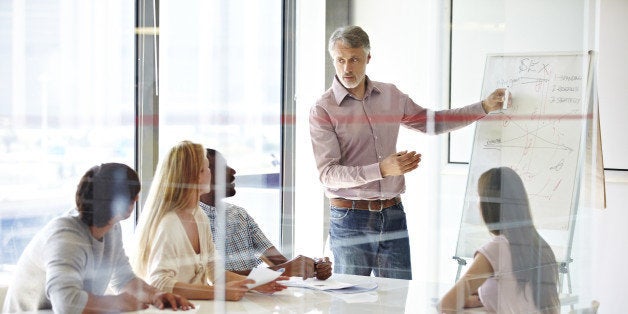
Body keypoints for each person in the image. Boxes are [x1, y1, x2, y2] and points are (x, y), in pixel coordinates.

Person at [309, 25, 508, 280]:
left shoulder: (390, 95)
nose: (347, 68)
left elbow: (432, 122)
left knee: (396, 300)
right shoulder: (322, 109)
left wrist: (483, 107)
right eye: (340, 60)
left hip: (393, 214)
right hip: (350, 219)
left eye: (355, 59)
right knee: (351, 304)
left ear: (368, 58)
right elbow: (328, 174)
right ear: (333, 59)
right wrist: (383, 169)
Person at [2, 163, 193, 313]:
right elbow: (66, 304)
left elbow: (124, 280)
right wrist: (115, 302)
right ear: (129, 203)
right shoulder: (66, 237)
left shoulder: (112, 229)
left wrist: (155, 295)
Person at [132, 141, 288, 301]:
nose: (210, 173)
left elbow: (215, 272)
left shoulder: (198, 216)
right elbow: (159, 283)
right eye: (206, 168)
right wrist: (219, 293)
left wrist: (254, 283)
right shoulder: (169, 223)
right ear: (194, 175)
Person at [438, 167, 560, 313]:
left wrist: (461, 297)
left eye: (479, 196)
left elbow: (446, 305)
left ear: (488, 204)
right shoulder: (541, 247)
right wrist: (476, 296)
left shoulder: (496, 250)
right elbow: (515, 292)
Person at [199, 148, 332, 280]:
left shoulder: (239, 214)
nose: (233, 171)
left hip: (258, 295)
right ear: (202, 176)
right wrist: (285, 269)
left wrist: (314, 266)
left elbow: (279, 262)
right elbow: (215, 278)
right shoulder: (191, 221)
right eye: (222, 167)